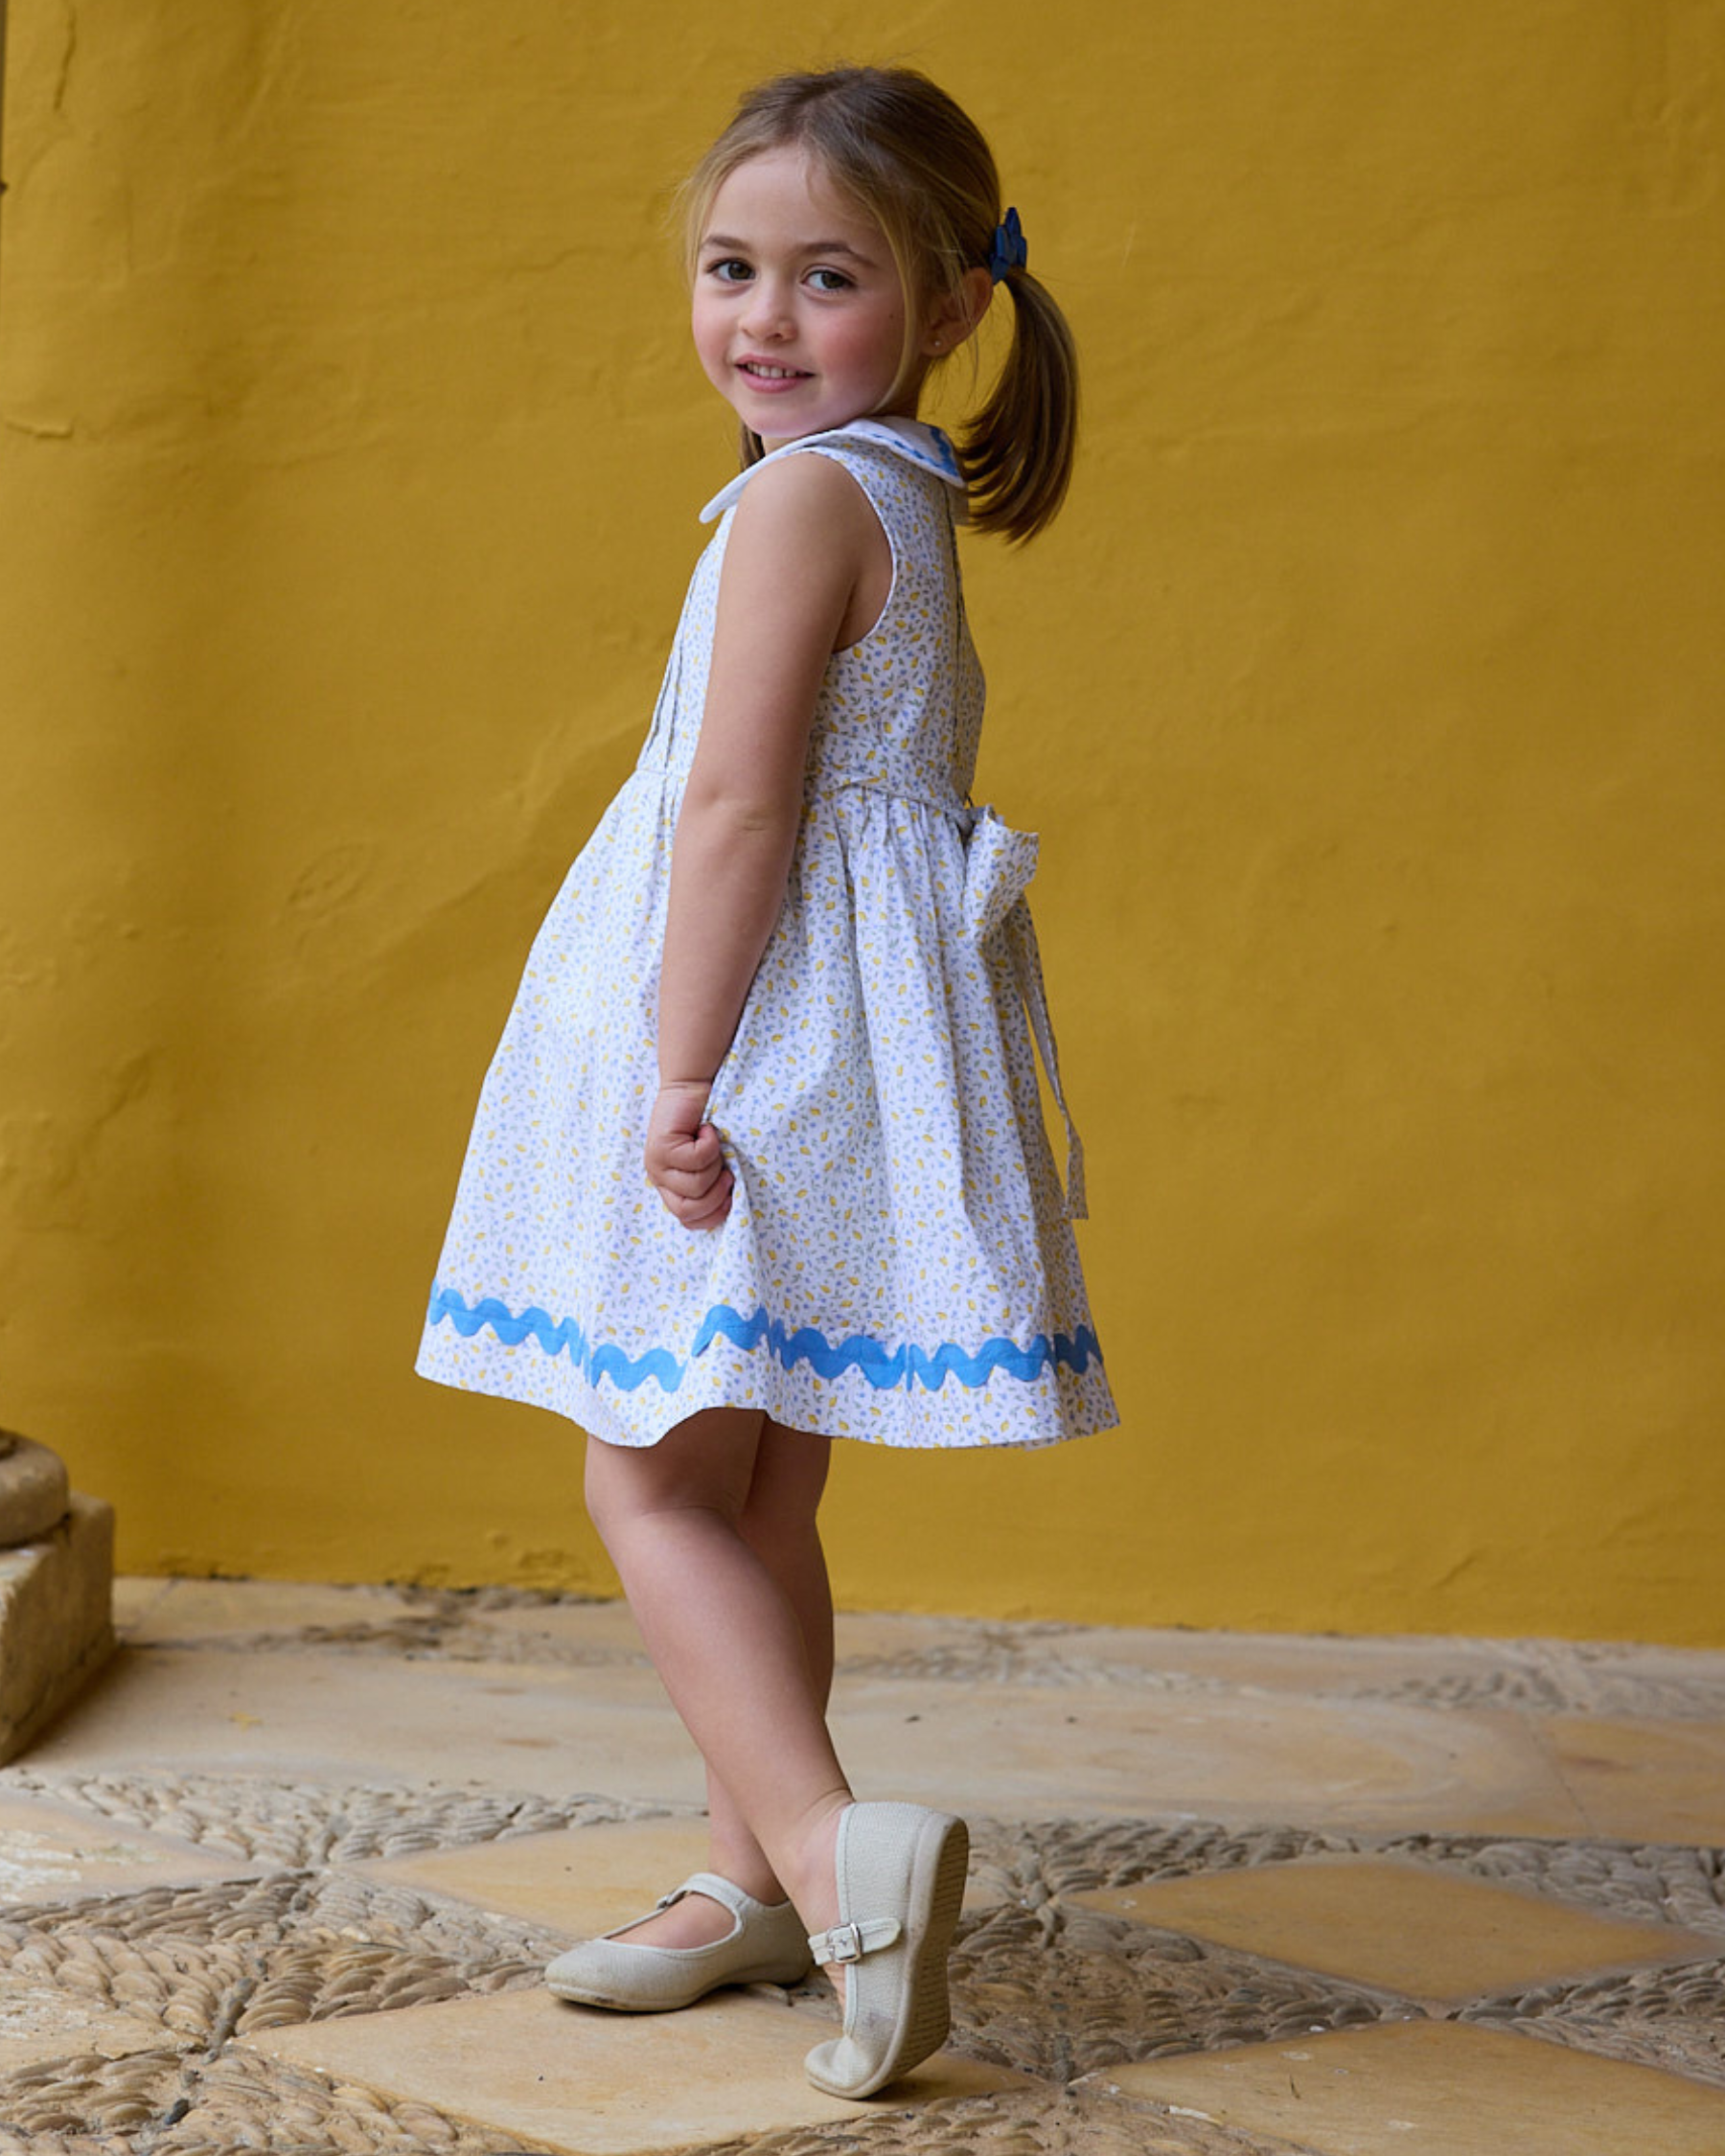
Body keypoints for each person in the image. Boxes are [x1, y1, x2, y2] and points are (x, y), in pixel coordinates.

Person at [416, 64, 1117, 2099]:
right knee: (757, 1480)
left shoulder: (803, 502)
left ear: (952, 305)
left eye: (830, 275)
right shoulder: (890, 485)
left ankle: (828, 1854)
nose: (765, 318)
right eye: (732, 268)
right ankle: (754, 1881)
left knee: (643, 1472)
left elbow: (736, 806)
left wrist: (679, 1066)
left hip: (756, 1041)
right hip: (855, 1040)